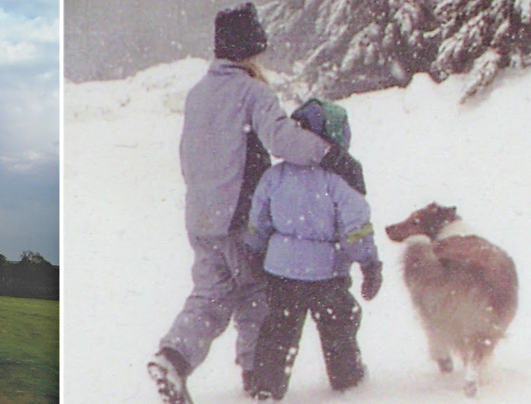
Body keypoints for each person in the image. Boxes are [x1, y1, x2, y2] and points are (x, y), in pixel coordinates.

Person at [147, 3, 365, 404]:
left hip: (201, 217)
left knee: (209, 297)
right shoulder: (252, 91)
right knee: (257, 294)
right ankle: (255, 377)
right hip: (238, 217)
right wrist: (331, 155)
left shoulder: (198, 94)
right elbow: (282, 140)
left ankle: (173, 357)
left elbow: (186, 154)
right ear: (251, 48)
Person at [243, 98, 382, 401]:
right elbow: (356, 227)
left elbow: (258, 220)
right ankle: (348, 380)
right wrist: (369, 263)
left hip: (281, 272)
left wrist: (254, 250)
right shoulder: (340, 178)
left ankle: (267, 385)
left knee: (278, 330)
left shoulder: (275, 176)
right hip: (326, 274)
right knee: (338, 327)